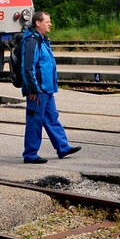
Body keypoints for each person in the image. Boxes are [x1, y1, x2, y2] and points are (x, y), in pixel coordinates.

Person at [20, 11, 81, 164]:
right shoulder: (32, 41)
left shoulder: (42, 41)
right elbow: (28, 67)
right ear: (38, 23)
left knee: (52, 118)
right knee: (35, 121)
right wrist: (33, 89)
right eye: (47, 21)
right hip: (38, 90)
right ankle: (30, 154)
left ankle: (63, 147)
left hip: (47, 89)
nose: (50, 24)